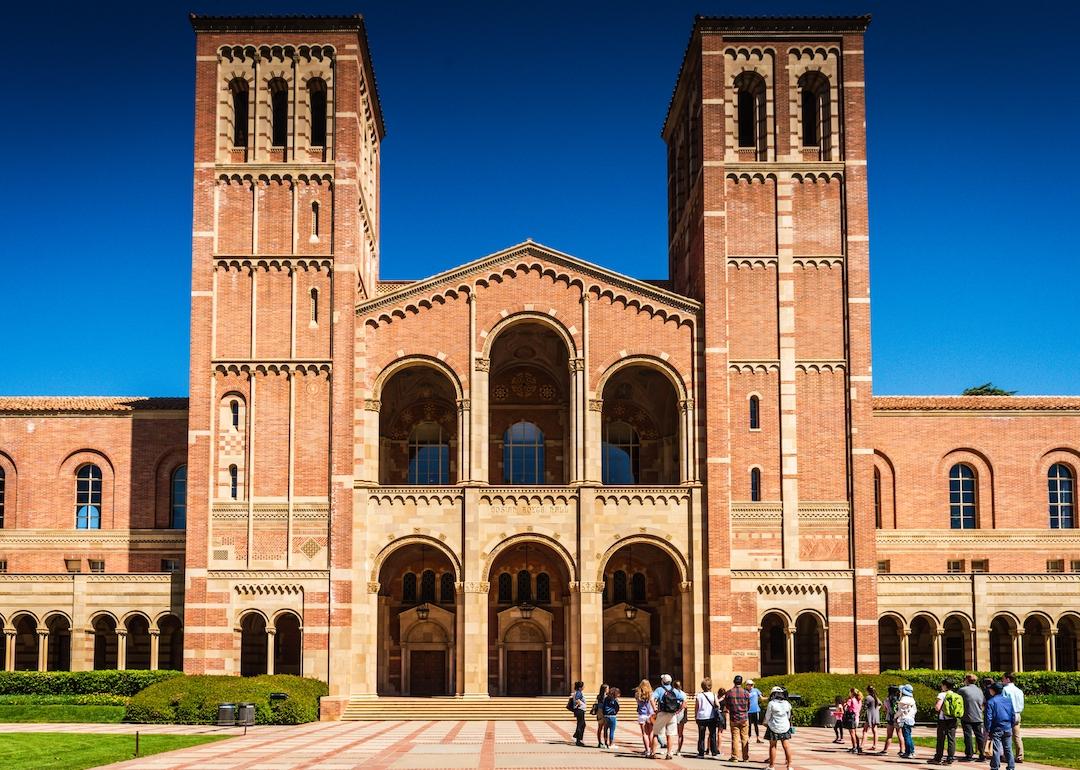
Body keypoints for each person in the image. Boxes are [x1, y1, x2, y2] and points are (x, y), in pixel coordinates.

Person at [650, 673, 686, 761]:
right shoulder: (675, 690)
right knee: (670, 734)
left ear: (662, 681)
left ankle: (653, 753)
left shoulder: (659, 690)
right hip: (672, 714)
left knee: (656, 733)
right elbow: (684, 700)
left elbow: (651, 699)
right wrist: (678, 710)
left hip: (662, 713)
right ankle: (669, 753)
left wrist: (655, 709)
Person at [929, 677, 962, 765]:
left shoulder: (942, 694)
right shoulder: (956, 695)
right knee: (951, 739)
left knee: (941, 739)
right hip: (953, 719)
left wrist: (936, 707)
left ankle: (938, 758)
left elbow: (937, 707)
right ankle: (950, 758)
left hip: (943, 720)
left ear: (945, 686)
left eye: (942, 685)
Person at [985, 681, 1016, 770]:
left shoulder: (991, 702)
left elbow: (988, 717)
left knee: (996, 748)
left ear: (993, 691)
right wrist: (1011, 724)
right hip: (1007, 726)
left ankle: (995, 766)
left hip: (996, 727)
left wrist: (988, 729)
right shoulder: (1008, 700)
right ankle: (1011, 766)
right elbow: (1013, 714)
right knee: (1008, 748)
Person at [763, 686, 794, 770]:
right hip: (785, 726)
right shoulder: (787, 703)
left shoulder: (771, 703)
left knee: (773, 746)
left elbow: (767, 716)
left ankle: (772, 766)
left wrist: (765, 723)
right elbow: (788, 715)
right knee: (786, 746)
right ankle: (789, 766)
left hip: (773, 726)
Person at [959, 674, 987, 762]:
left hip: (966, 716)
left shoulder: (962, 690)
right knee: (979, 736)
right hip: (978, 716)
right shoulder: (979, 690)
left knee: (968, 736)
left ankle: (969, 755)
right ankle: (982, 754)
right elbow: (983, 703)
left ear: (967, 680)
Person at [725, 674, 751, 762]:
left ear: (734, 682)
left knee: (735, 737)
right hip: (744, 717)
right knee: (745, 738)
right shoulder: (746, 693)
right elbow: (748, 706)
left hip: (734, 717)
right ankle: (745, 757)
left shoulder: (729, 692)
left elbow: (727, 706)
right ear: (741, 682)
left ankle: (735, 757)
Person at [695, 677, 720, 758]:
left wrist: (696, 716)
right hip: (711, 717)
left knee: (701, 735)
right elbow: (718, 705)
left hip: (701, 717)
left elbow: (697, 707)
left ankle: (701, 752)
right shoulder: (713, 695)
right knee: (712, 735)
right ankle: (714, 752)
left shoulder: (699, 695)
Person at [1002, 673, 1025, 764]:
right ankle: (1020, 755)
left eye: (1003, 679)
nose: (1002, 680)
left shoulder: (1005, 689)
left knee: (1006, 735)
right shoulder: (1019, 690)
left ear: (1008, 679)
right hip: (1017, 713)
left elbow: (1003, 702)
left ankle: (1006, 755)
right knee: (1017, 736)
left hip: (1008, 714)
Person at [897, 684, 918, 759]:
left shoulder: (904, 699)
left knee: (906, 736)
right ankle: (911, 751)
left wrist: (895, 717)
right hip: (911, 719)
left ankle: (909, 752)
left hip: (905, 719)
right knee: (908, 735)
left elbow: (900, 711)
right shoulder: (912, 699)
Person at [634, 679, 655, 756]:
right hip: (650, 715)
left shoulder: (637, 694)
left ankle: (647, 750)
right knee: (651, 733)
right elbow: (653, 705)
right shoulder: (651, 694)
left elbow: (638, 703)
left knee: (644, 734)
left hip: (642, 715)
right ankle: (652, 749)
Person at [880, 684, 901, 756]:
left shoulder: (887, 699)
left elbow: (885, 709)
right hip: (898, 718)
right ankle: (902, 750)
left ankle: (885, 750)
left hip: (890, 718)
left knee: (889, 735)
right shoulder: (899, 699)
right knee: (900, 735)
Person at [844, 687, 863, 753]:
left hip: (851, 717)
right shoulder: (859, 700)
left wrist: (846, 703)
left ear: (852, 693)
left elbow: (845, 707)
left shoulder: (851, 700)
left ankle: (854, 747)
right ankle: (858, 746)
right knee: (855, 732)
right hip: (857, 717)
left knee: (852, 733)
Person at [862, 684, 880, 752]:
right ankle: (874, 745)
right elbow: (880, 704)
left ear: (867, 690)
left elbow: (864, 707)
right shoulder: (876, 697)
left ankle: (862, 745)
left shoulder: (868, 698)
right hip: (875, 715)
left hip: (869, 715)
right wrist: (876, 709)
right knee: (875, 731)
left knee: (865, 731)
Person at [747, 679, 764, 743]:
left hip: (756, 710)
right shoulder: (745, 692)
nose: (751, 686)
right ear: (747, 685)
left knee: (756, 724)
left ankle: (758, 738)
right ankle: (748, 738)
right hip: (748, 711)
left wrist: (769, 698)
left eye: (752, 684)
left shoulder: (756, 690)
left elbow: (761, 698)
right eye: (750, 685)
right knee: (749, 725)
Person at [674, 679, 688, 756]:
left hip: (673, 715)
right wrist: (679, 711)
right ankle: (679, 750)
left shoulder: (671, 693)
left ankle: (670, 749)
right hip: (681, 715)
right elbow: (684, 704)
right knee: (680, 733)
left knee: (671, 733)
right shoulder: (683, 694)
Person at [571, 680, 587, 747]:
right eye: (583, 686)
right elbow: (577, 699)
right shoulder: (579, 692)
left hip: (579, 710)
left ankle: (576, 737)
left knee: (582, 724)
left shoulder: (577, 692)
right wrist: (580, 704)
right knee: (581, 725)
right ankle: (578, 740)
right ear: (580, 687)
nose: (584, 687)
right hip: (580, 710)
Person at [592, 683, 609, 748]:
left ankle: (599, 742)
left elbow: (596, 704)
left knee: (600, 728)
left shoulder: (598, 696)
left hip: (599, 712)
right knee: (605, 728)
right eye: (607, 688)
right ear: (605, 689)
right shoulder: (607, 697)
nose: (608, 690)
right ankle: (605, 743)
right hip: (604, 713)